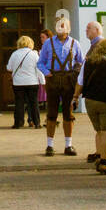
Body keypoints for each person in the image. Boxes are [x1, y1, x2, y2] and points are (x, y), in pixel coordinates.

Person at [73, 39, 106, 175]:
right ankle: (104, 162)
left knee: (98, 131)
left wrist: (75, 97)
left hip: (90, 101)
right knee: (105, 132)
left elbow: (80, 81)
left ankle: (98, 154)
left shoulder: (87, 62)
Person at [38, 17, 84, 157]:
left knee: (68, 113)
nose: (61, 28)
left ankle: (68, 145)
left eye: (64, 26)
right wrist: (47, 73)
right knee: (51, 113)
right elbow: (40, 63)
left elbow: (81, 62)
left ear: (68, 28)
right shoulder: (48, 43)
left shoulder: (75, 43)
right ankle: (49, 145)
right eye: (59, 25)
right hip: (53, 79)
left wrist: (76, 74)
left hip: (69, 80)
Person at [7, 35, 43, 129]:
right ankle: (37, 123)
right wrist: (43, 81)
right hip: (32, 82)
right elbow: (39, 69)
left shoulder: (14, 54)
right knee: (34, 103)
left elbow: (9, 68)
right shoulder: (34, 54)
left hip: (18, 83)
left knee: (19, 103)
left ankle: (18, 123)